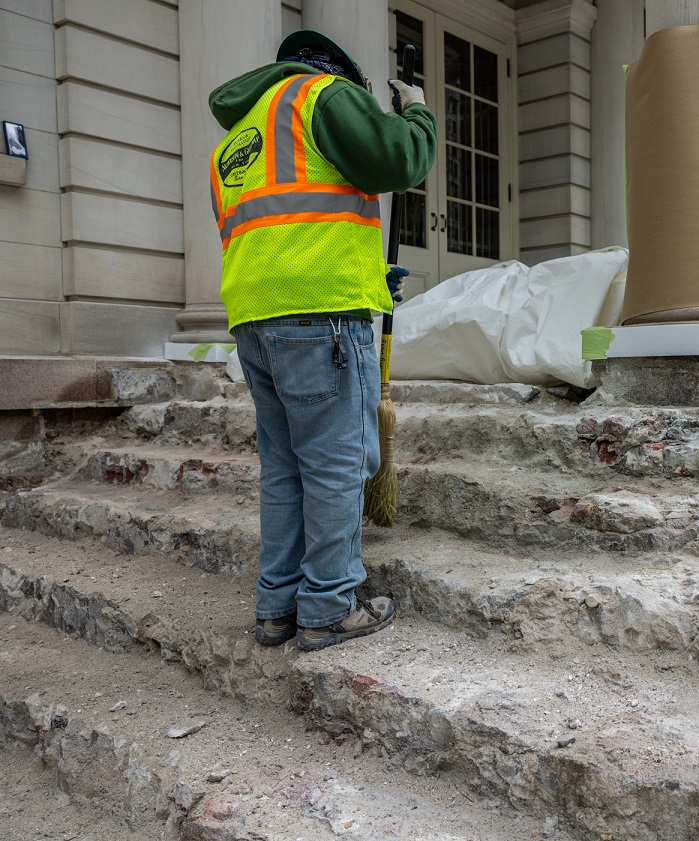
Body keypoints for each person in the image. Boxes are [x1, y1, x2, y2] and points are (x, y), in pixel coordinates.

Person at [208, 30, 437, 651]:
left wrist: (367, 274)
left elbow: (282, 229)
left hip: (256, 319)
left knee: (285, 468)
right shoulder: (322, 95)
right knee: (336, 464)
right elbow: (401, 161)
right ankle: (330, 606)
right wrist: (416, 112)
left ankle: (277, 607)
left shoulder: (237, 140)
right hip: (322, 318)